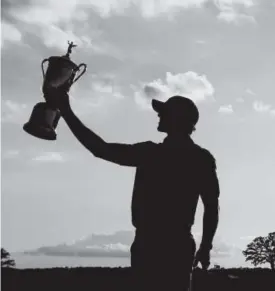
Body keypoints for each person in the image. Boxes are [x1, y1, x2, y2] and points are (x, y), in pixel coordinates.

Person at [44, 88, 220, 291]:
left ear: (176, 119)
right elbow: (211, 207)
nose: (159, 115)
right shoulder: (201, 159)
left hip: (148, 245)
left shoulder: (150, 154)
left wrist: (66, 111)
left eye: (164, 112)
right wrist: (205, 246)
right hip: (176, 246)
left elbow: (100, 149)